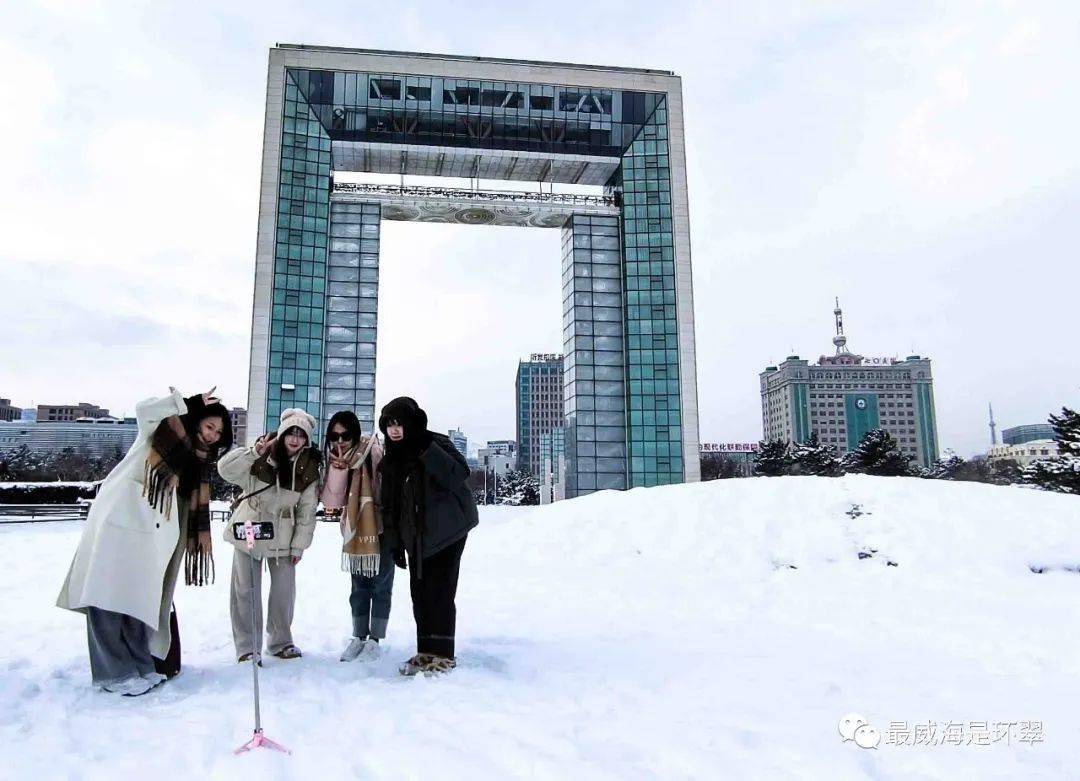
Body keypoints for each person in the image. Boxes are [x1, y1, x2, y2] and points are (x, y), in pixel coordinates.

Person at [57, 387, 232, 696]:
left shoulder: (197, 461)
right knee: (108, 596)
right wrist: (188, 403)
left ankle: (139, 665)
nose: (213, 435)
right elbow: (144, 409)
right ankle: (113, 673)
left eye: (219, 431)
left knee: (141, 598)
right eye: (209, 426)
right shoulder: (162, 431)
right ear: (195, 421)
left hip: (154, 536)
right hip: (120, 523)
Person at [377, 397, 478, 676]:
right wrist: (395, 543)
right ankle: (426, 651)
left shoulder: (436, 443)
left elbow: (458, 473)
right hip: (417, 536)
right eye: (389, 424)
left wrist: (426, 450)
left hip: (448, 530)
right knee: (419, 593)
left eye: (399, 423)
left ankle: (443, 655)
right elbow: (390, 505)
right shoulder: (391, 459)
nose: (395, 430)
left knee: (440, 591)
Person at [218, 407, 320, 663]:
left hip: (283, 533)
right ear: (282, 433)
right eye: (290, 433)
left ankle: (280, 642)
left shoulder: (309, 467)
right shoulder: (261, 455)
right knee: (246, 589)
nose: (295, 439)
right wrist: (255, 452)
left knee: (284, 592)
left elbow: (307, 512)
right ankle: (247, 647)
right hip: (251, 527)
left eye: (301, 435)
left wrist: (299, 546)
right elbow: (225, 470)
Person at [319, 411, 394, 662]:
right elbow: (331, 501)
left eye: (345, 435)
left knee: (381, 585)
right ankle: (359, 635)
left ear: (355, 432)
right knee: (359, 587)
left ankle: (375, 638)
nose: (340, 440)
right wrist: (338, 470)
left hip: (381, 528)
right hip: (353, 531)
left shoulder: (371, 450)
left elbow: (386, 488)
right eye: (334, 435)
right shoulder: (337, 458)